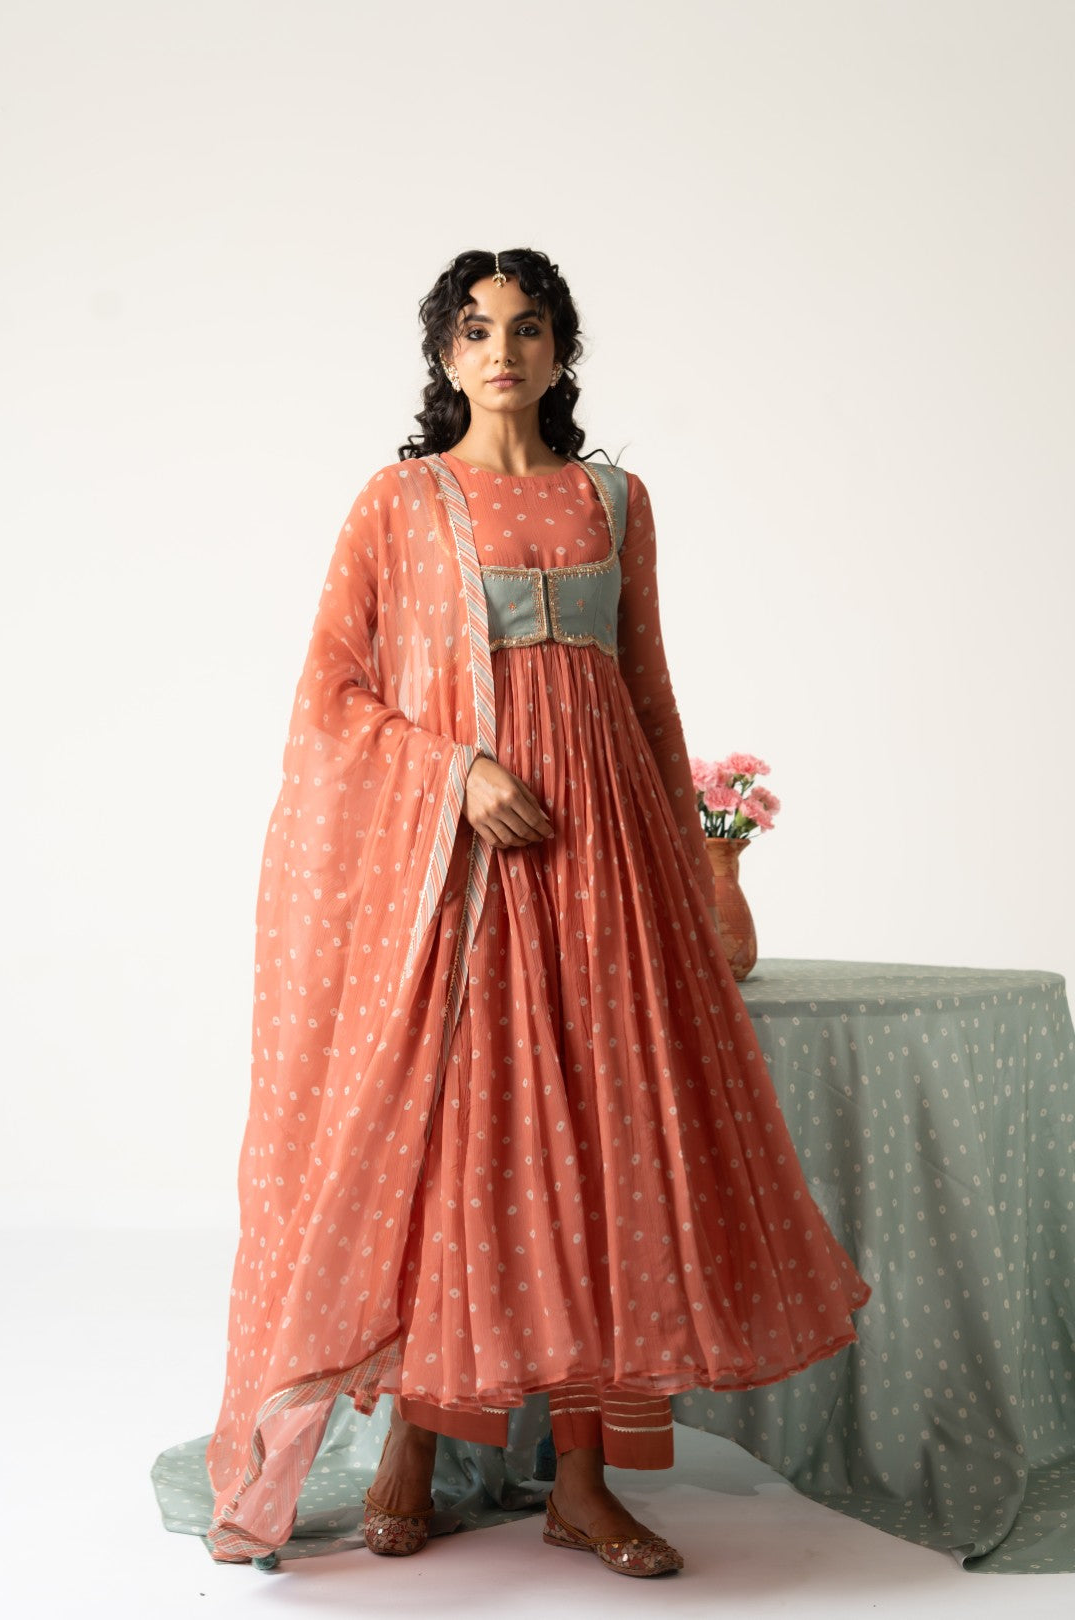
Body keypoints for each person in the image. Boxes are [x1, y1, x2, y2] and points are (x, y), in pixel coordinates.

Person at [199, 247, 871, 1580]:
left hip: (607, 860)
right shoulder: (399, 502)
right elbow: (331, 697)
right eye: (474, 329)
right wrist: (456, 774)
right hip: (465, 872)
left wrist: (690, 868)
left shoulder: (614, 498)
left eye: (525, 327)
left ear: (561, 351)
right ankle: (412, 1443)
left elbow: (647, 689)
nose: (500, 351)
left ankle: (580, 1482)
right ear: (443, 355)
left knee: (606, 1145)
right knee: (460, 1143)